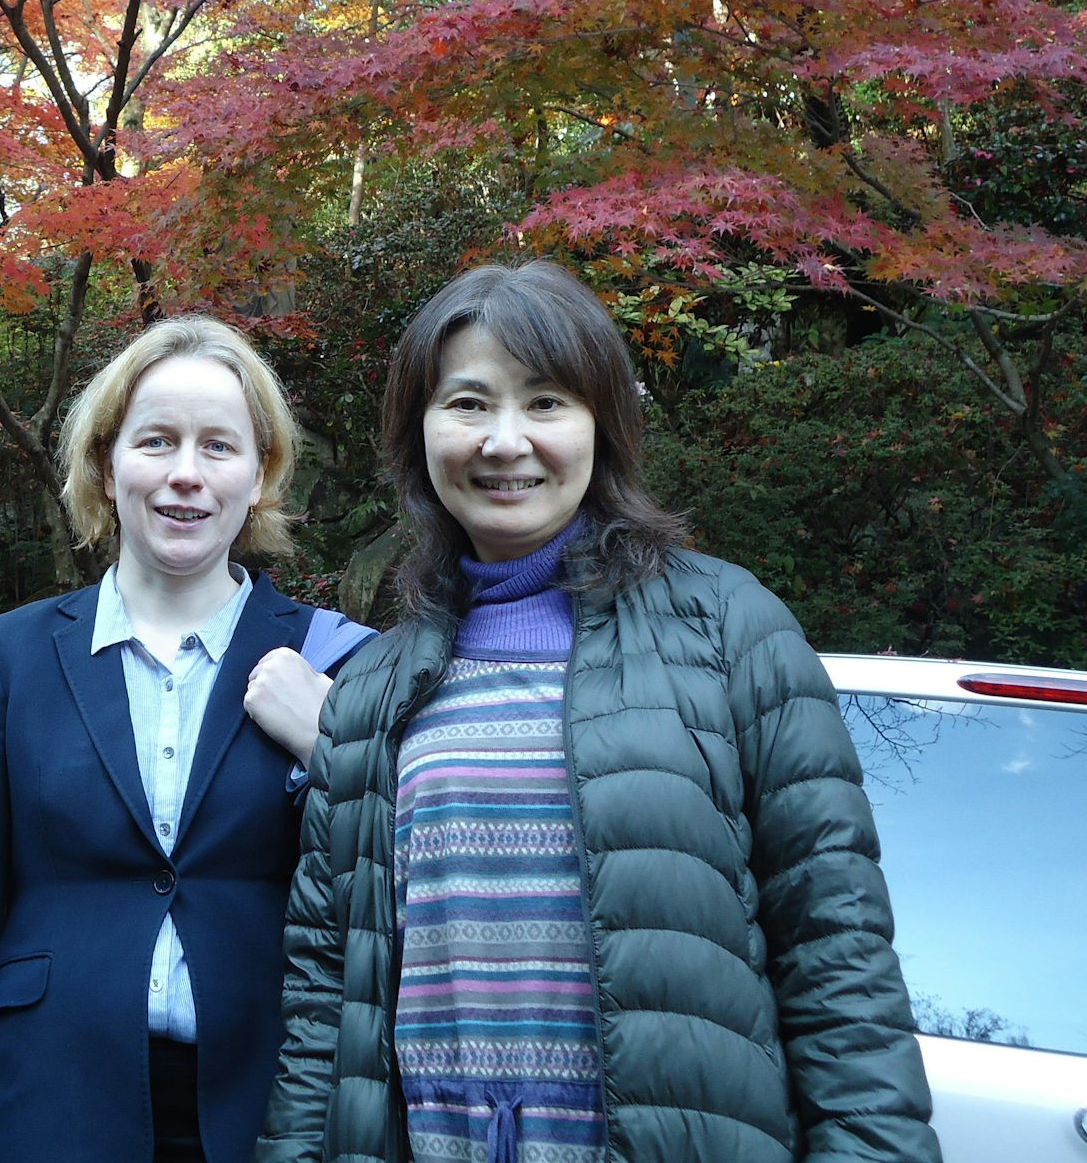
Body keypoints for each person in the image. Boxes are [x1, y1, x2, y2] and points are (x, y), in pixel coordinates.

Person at [256, 260, 940, 1163]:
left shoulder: (731, 630)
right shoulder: (376, 691)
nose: (505, 442)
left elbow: (838, 959)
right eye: (467, 404)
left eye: (546, 403)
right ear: (418, 432)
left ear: (601, 425)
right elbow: (322, 1018)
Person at [0, 317, 375, 1163]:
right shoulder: (14, 654)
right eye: (156, 441)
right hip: (38, 1105)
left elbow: (397, 899)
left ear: (261, 475)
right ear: (107, 465)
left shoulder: (338, 662)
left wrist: (333, 745)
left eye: (219, 446)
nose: (185, 474)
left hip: (269, 1110)